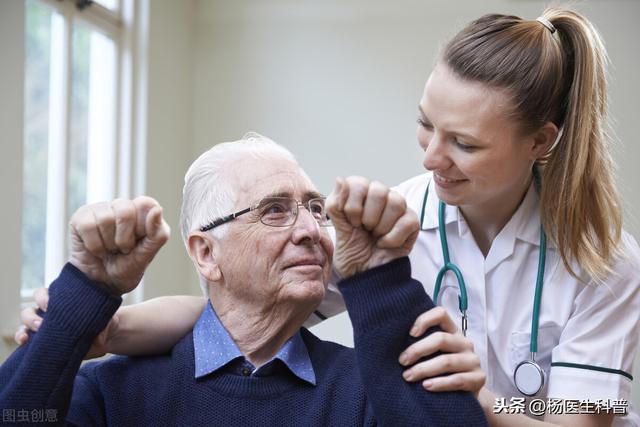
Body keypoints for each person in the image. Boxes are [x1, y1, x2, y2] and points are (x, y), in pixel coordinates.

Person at [16, 5, 640, 426]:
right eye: (426, 125)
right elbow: (239, 306)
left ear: (541, 142)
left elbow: (586, 411)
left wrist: (486, 400)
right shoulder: (395, 222)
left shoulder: (604, 261)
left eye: (465, 144)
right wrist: (99, 325)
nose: (431, 156)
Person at [0, 136, 488, 426]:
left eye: (316, 210)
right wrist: (86, 290)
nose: (309, 231)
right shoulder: (114, 390)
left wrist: (380, 277)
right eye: (275, 211)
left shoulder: (364, 388)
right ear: (207, 254)